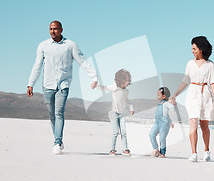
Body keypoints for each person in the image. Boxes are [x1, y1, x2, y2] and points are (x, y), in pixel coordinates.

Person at [27, 20, 98, 155]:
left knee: (59, 112)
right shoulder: (43, 46)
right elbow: (37, 66)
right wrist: (31, 84)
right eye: (50, 29)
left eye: (55, 29)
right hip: (47, 85)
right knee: (52, 114)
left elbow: (82, 61)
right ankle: (57, 138)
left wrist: (94, 77)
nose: (52, 31)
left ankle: (57, 143)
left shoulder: (70, 45)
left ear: (61, 30)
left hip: (63, 84)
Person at [170, 36, 214, 162]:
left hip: (205, 95)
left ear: (201, 49)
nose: (192, 51)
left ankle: (207, 151)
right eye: (192, 49)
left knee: (204, 125)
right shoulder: (190, 63)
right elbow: (185, 81)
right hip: (192, 94)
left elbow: (213, 82)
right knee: (193, 123)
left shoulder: (210, 64)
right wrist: (175, 94)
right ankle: (194, 153)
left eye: (194, 49)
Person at [95, 69, 134, 156]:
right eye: (126, 80)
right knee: (116, 131)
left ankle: (125, 149)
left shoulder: (126, 91)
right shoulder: (114, 87)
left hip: (122, 114)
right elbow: (104, 88)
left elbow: (128, 100)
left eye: (129, 80)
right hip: (113, 113)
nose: (128, 82)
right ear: (121, 80)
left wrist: (131, 108)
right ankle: (112, 149)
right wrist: (96, 86)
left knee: (123, 132)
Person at [149, 87, 175, 158]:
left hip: (164, 124)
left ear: (163, 96)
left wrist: (171, 103)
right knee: (151, 134)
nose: (157, 96)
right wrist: (171, 122)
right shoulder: (160, 103)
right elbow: (166, 114)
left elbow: (173, 109)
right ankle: (156, 149)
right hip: (157, 122)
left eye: (158, 94)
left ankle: (162, 153)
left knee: (162, 139)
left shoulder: (166, 104)